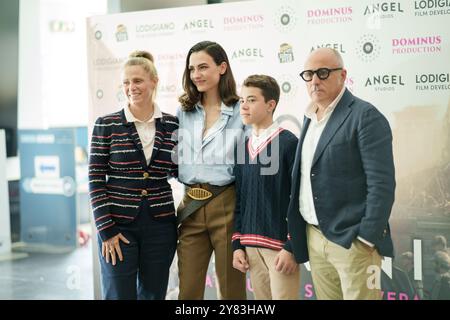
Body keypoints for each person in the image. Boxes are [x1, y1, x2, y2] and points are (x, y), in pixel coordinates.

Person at [287, 47, 396, 300]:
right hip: (314, 238)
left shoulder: (365, 116)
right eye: (309, 74)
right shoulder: (309, 117)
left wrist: (366, 239)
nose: (315, 80)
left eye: (323, 73)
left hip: (353, 242)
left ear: (343, 75)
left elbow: (382, 185)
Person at [89, 50, 178, 300]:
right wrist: (105, 229)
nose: (131, 87)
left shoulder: (172, 124)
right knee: (118, 294)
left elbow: (180, 170)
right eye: (126, 82)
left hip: (160, 226)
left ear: (154, 82)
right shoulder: (106, 124)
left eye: (137, 81)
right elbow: (95, 179)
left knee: (153, 294)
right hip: (117, 227)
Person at [176, 41, 246, 299]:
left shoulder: (241, 110)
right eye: (192, 68)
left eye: (203, 67)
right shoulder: (183, 111)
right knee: (188, 291)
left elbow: (251, 165)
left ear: (222, 67)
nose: (196, 74)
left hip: (226, 202)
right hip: (190, 204)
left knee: (232, 291)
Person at [231, 75, 305, 300]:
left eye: (251, 100)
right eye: (242, 99)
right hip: (250, 247)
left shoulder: (289, 143)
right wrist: (237, 244)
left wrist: (292, 246)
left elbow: (299, 198)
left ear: (270, 104)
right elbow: (240, 200)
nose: (243, 106)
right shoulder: (243, 148)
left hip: (280, 248)